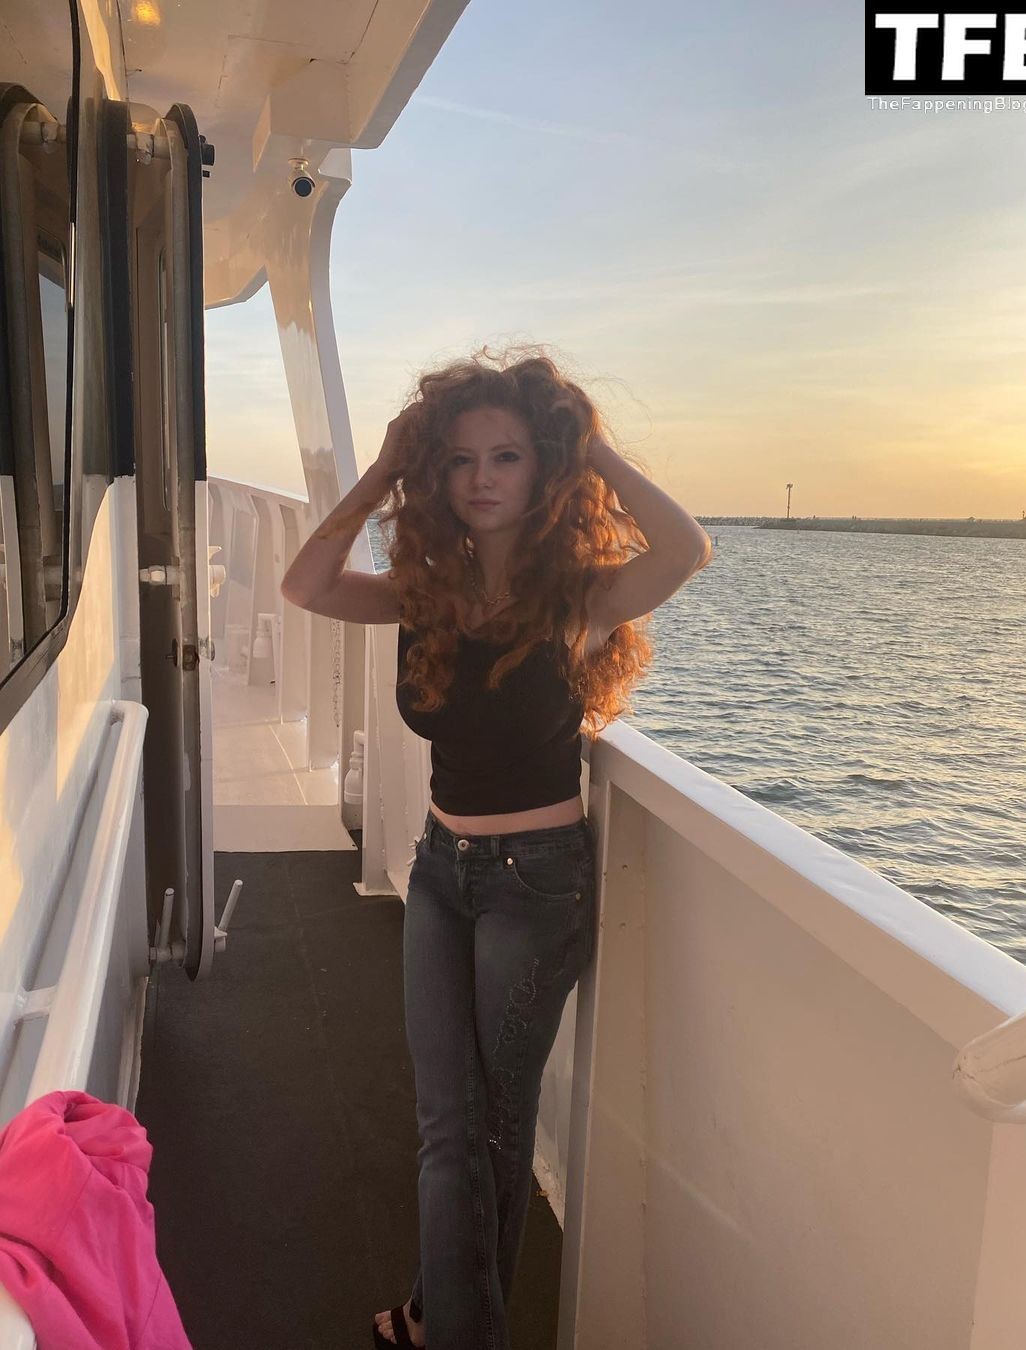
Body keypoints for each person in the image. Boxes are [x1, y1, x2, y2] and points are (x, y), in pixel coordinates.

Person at [280, 348, 711, 1350]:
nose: (481, 477)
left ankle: (442, 1323)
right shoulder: (423, 592)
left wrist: (592, 448)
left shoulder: (578, 598)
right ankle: (444, 1316)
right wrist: (382, 469)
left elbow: (686, 549)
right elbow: (307, 584)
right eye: (461, 459)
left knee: (484, 1133)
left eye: (507, 456)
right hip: (441, 872)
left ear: (543, 469)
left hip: (535, 887)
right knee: (453, 1129)